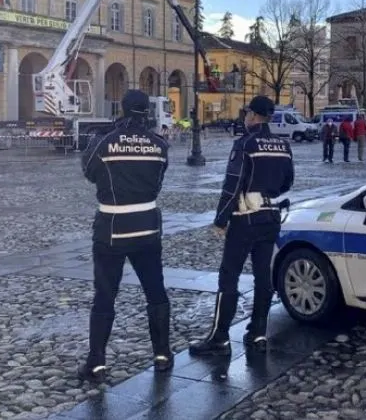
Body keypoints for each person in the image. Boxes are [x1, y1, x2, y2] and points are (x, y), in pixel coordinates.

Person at [78, 89, 174, 382]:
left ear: (122, 108)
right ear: (147, 111)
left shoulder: (104, 142)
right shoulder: (159, 144)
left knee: (105, 296)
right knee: (155, 292)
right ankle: (162, 355)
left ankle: (96, 362)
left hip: (112, 229)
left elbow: (89, 171)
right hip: (147, 227)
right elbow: (158, 179)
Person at [190, 95, 295, 355]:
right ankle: (258, 333)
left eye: (248, 113)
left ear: (254, 116)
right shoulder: (283, 145)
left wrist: (220, 220)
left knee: (229, 277)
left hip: (245, 217)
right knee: (263, 278)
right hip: (270, 216)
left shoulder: (245, 143)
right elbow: (287, 183)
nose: (246, 117)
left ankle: (220, 337)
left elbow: (233, 183)